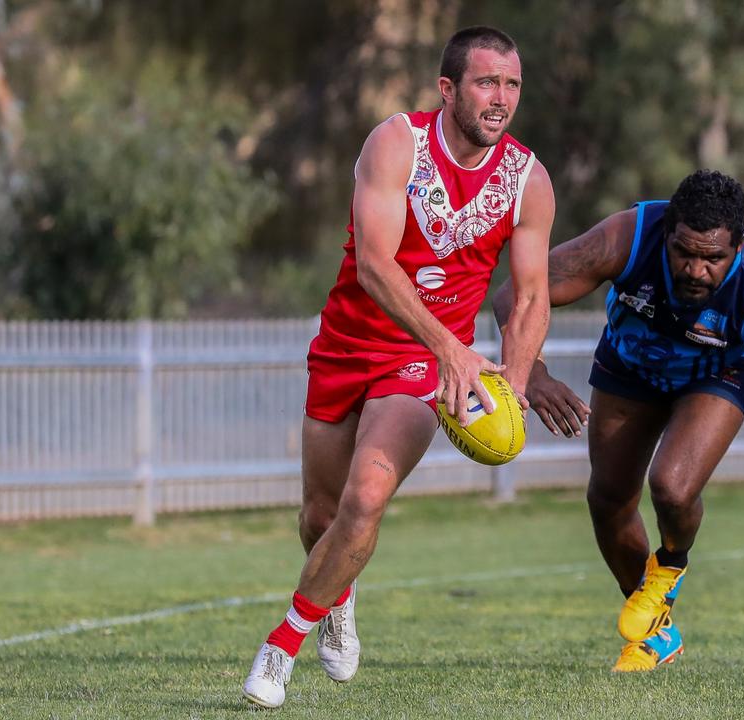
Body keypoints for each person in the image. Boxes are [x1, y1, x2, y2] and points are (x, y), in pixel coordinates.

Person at [242, 26, 553, 708]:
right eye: (485, 82)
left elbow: (531, 297)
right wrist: (453, 345)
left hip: (422, 365)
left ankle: (282, 644)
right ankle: (337, 598)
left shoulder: (528, 180)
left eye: (511, 85)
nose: (500, 99)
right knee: (320, 516)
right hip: (349, 346)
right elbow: (376, 266)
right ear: (448, 88)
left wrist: (517, 382)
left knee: (366, 499)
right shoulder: (397, 145)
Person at [493, 170, 744, 672]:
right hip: (631, 360)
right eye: (684, 253)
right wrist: (531, 373)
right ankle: (655, 632)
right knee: (607, 499)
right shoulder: (626, 238)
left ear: (739, 247)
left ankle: (670, 564)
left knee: (671, 487)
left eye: (712, 258)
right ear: (667, 233)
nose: (696, 270)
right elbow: (515, 293)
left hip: (719, 370)